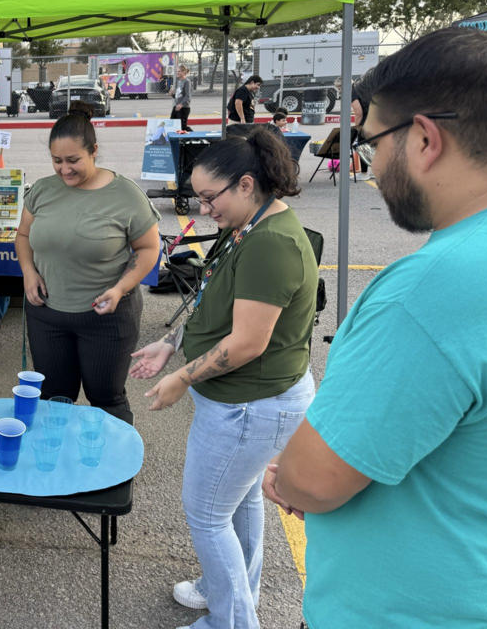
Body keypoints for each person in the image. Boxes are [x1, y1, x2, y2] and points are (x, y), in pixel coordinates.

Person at [264, 27, 487, 629]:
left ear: (424, 138)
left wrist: (291, 475)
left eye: (369, 142)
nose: (370, 163)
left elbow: (314, 480)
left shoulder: (432, 289)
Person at [129, 128, 318, 629]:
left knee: (207, 515)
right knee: (239, 501)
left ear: (246, 184)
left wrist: (182, 378)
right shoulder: (250, 226)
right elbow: (215, 301)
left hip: (249, 407)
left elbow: (248, 342)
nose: (204, 207)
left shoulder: (271, 244)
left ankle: (231, 620)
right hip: (250, 403)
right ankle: (230, 593)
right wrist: (171, 343)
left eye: (211, 197)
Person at [16, 102, 161, 419]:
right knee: (54, 401)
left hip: (106, 317)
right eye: (57, 161)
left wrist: (120, 288)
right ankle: (58, 453)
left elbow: (149, 248)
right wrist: (28, 271)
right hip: (47, 315)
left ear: (94, 151)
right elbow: (23, 235)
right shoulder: (41, 190)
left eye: (73, 160)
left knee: (106, 401)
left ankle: (115, 455)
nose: (64, 169)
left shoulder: (126, 195)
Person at [172, 64, 193, 131]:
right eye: (177, 71)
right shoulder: (179, 81)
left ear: (184, 72)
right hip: (176, 107)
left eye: (179, 71)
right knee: (172, 123)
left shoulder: (187, 81)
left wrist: (181, 104)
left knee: (183, 127)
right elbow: (178, 96)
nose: (177, 73)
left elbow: (188, 95)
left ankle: (195, 136)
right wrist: (172, 94)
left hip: (183, 108)